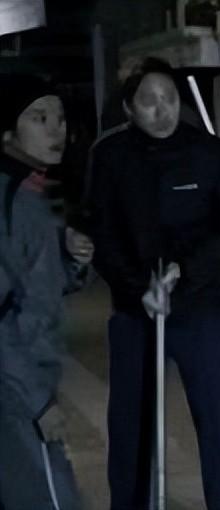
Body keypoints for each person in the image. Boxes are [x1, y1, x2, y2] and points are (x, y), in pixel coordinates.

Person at [87, 57, 220, 510]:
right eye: (149, 101)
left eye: (169, 98)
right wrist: (136, 286)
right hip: (135, 311)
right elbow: (102, 233)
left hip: (201, 308)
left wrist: (188, 269)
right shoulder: (109, 157)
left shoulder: (211, 153)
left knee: (218, 422)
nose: (162, 110)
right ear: (129, 108)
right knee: (131, 425)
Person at [0, 73, 92, 510]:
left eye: (60, 118)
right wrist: (38, 402)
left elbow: (35, 286)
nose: (56, 130)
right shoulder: (9, 201)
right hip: (15, 393)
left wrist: (71, 259)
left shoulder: (32, 192)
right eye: (39, 118)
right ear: (7, 131)